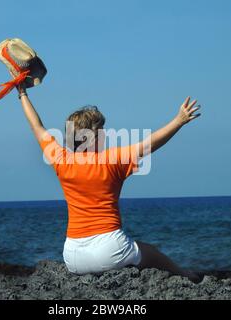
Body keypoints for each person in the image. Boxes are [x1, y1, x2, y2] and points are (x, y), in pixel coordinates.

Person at [15, 80, 202, 283]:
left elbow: (37, 126)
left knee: (133, 251)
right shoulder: (113, 160)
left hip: (72, 256)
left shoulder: (61, 160)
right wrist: (179, 121)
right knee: (149, 251)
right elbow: (150, 144)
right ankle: (186, 276)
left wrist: (22, 92)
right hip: (109, 250)